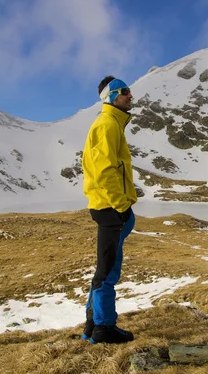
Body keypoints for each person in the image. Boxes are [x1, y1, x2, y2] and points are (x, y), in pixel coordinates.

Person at [81, 76, 137, 344]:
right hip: (110, 210)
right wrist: (121, 206)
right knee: (108, 271)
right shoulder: (107, 125)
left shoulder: (113, 123)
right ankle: (104, 328)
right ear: (111, 96)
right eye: (125, 92)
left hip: (110, 209)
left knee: (105, 268)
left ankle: (92, 326)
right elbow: (105, 171)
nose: (130, 95)